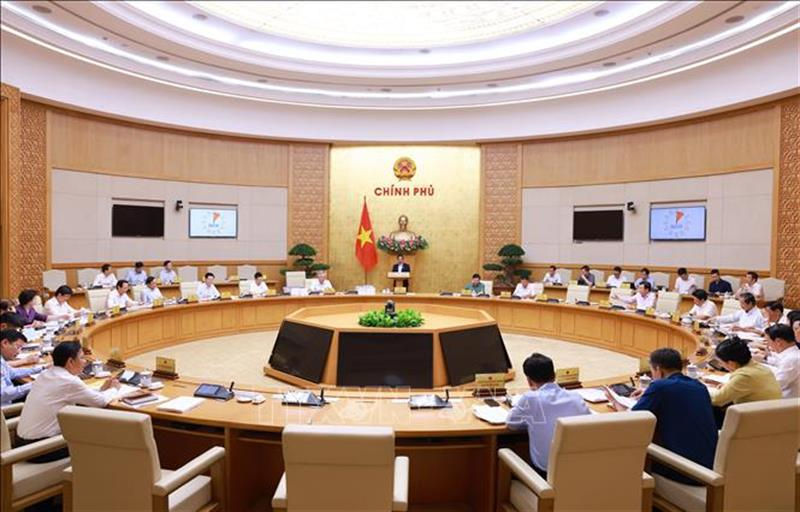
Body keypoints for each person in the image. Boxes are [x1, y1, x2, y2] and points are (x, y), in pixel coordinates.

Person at [608, 348, 717, 486]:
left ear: (658, 370)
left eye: (652, 372)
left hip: (685, 470)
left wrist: (616, 404)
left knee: (624, 449)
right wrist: (649, 393)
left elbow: (633, 421)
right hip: (710, 464)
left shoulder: (660, 387)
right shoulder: (699, 386)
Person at [16, 341, 120, 462]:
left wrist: (102, 389)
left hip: (21, 443)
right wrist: (115, 389)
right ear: (70, 361)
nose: (85, 362)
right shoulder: (69, 381)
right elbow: (101, 402)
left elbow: (78, 393)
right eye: (82, 358)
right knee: (105, 431)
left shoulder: (46, 374)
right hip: (41, 449)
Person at [506, 353, 590, 478]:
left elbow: (511, 424)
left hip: (544, 476)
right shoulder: (576, 397)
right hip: (579, 473)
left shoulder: (530, 399)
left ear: (529, 381)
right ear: (554, 375)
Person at [708, 337, 781, 407]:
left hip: (755, 414)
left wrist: (702, 391)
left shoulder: (744, 376)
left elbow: (717, 400)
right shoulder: (759, 367)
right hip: (769, 411)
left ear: (731, 363)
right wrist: (727, 387)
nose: (721, 365)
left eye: (721, 362)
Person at [1, 330, 45, 406]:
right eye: (18, 347)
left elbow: (12, 372)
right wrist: (34, 384)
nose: (18, 352)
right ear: (5, 343)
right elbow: (3, 394)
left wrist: (42, 368)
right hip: (6, 409)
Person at [756, 324, 799, 399]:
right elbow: (779, 361)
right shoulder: (793, 353)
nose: (768, 345)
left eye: (768, 342)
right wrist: (764, 358)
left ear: (778, 342)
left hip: (786, 401)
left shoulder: (792, 359)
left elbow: (775, 384)